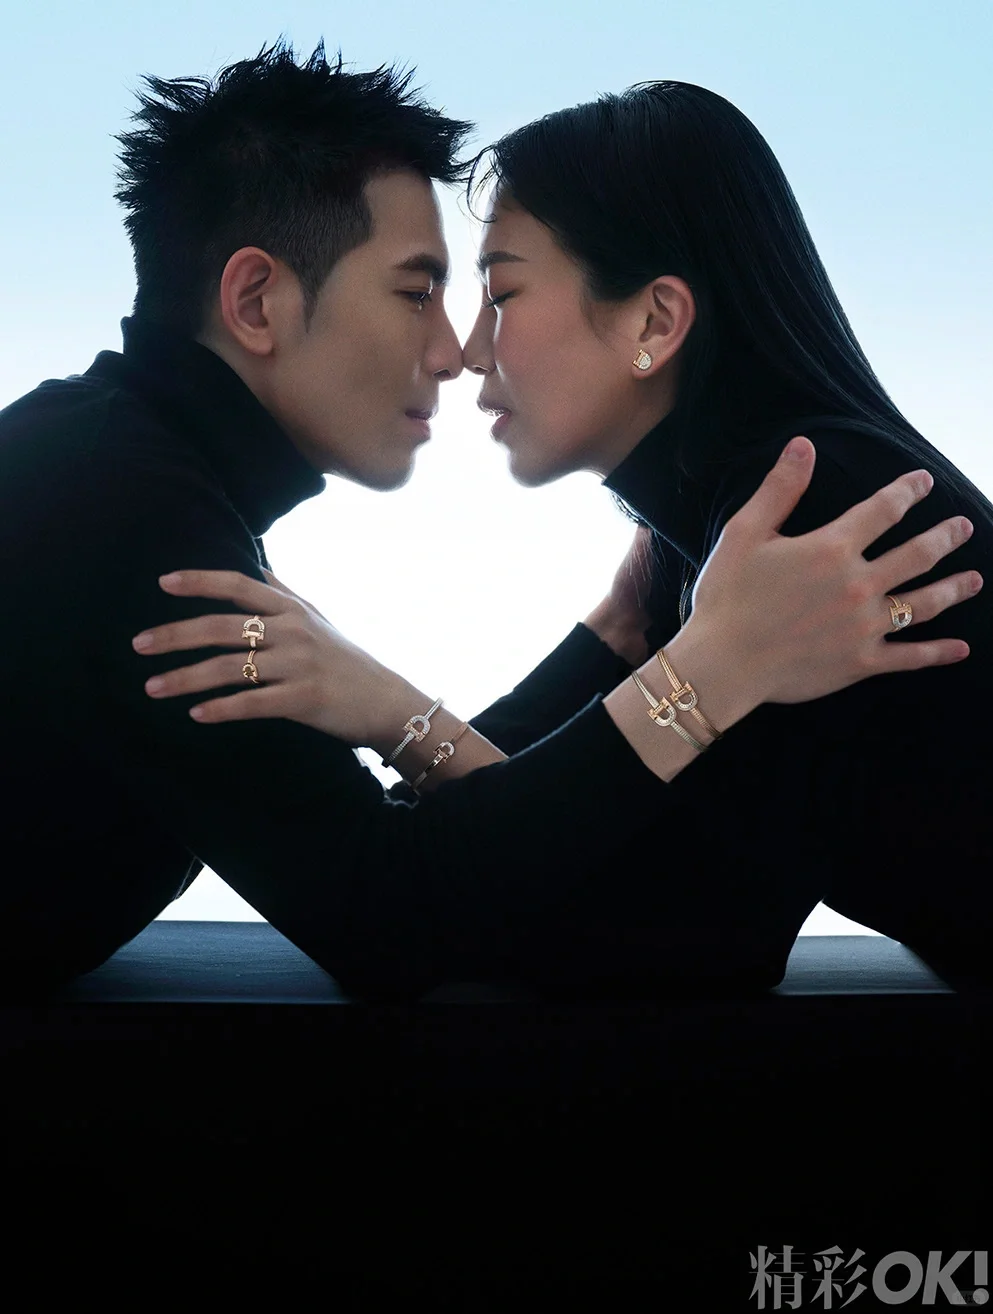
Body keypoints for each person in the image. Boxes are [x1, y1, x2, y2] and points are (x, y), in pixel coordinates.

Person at [0, 46, 979, 1002]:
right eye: (416, 291)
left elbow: (675, 917)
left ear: (654, 322)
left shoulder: (816, 510)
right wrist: (660, 661)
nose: (456, 350)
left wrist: (424, 704)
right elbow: (412, 886)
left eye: (496, 293)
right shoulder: (122, 512)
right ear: (257, 301)